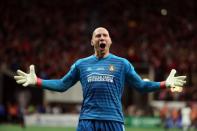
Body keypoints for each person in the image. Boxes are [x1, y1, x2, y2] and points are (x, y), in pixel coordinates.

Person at [14, 27, 187, 131]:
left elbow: (141, 86)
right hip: (87, 121)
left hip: (113, 120)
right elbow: (62, 85)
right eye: (98, 36)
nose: (102, 38)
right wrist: (37, 81)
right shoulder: (81, 64)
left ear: (110, 41)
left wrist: (165, 84)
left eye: (105, 35)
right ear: (92, 42)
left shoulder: (122, 64)